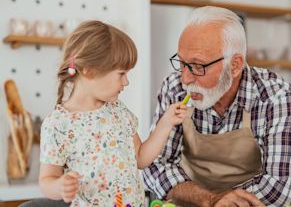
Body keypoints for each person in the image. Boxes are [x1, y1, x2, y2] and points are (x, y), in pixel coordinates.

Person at [142, 6, 291, 206]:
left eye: (198, 66)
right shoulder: (174, 88)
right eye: (181, 63)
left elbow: (279, 187)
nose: (185, 78)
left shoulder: (275, 95)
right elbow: (155, 164)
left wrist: (226, 202)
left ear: (234, 65)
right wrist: (210, 199)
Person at [38, 20, 187, 206]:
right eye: (121, 74)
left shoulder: (119, 111)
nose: (126, 82)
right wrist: (60, 186)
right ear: (89, 71)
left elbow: (140, 158)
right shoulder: (58, 124)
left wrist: (166, 123)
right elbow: (46, 181)